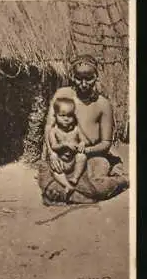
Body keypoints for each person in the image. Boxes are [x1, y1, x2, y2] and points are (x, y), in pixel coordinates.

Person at [39, 54, 129, 205]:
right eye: (79, 78)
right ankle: (78, 194)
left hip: (94, 155)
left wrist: (84, 151)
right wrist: (53, 154)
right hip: (63, 154)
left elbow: (106, 143)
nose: (84, 84)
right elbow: (49, 126)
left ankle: (121, 181)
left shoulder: (102, 104)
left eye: (89, 78)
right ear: (72, 77)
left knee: (97, 187)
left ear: (96, 77)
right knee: (50, 185)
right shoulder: (62, 95)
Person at [48, 97, 87, 199]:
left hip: (74, 161)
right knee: (55, 171)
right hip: (62, 161)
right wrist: (64, 144)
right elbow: (53, 146)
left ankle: (75, 178)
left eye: (70, 116)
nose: (66, 118)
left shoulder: (76, 130)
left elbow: (83, 140)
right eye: (62, 115)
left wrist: (82, 144)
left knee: (82, 157)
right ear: (55, 116)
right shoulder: (54, 131)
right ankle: (67, 185)